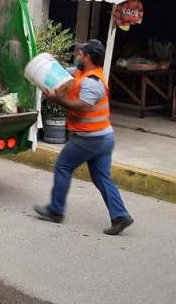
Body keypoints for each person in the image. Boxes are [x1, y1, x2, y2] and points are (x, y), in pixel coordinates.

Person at [34, 40, 134, 235]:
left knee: (63, 166)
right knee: (101, 177)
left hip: (89, 138)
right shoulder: (81, 72)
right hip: (103, 137)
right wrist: (50, 64)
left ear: (88, 57)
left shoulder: (92, 82)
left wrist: (57, 99)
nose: (77, 55)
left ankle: (55, 211)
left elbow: (82, 106)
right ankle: (120, 216)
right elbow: (62, 74)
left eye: (80, 53)